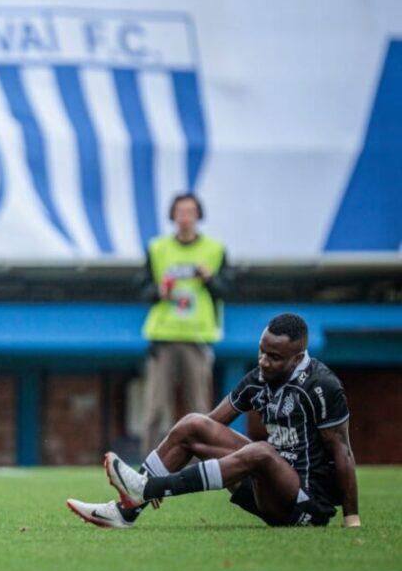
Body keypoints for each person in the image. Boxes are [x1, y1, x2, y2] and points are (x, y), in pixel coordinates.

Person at [67, 313, 360, 530]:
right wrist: (181, 451)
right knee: (194, 423)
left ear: (297, 359)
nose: (263, 361)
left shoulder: (322, 386)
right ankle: (126, 510)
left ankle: (147, 488)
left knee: (263, 451)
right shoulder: (259, 378)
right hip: (263, 489)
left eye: (274, 357)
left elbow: (343, 451)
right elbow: (209, 428)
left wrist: (352, 519)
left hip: (303, 505)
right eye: (261, 351)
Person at [139, 192, 229, 454]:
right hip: (164, 336)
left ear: (198, 215)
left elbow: (228, 289)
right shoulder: (158, 249)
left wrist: (209, 279)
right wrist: (159, 291)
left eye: (190, 212)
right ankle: (147, 469)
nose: (185, 218)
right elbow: (141, 289)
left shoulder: (214, 250)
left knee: (199, 409)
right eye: (180, 212)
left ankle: (204, 466)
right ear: (172, 215)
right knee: (155, 409)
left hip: (197, 337)